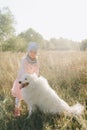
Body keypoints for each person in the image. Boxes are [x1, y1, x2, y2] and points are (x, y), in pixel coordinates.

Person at [11, 42, 40, 117]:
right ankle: (17, 110)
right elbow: (23, 70)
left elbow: (36, 72)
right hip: (22, 80)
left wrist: (34, 79)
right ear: (28, 51)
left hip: (31, 82)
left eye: (35, 52)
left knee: (29, 97)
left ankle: (29, 110)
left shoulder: (36, 61)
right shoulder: (24, 60)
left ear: (37, 53)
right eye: (31, 51)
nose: (33, 53)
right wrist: (26, 80)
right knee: (19, 96)